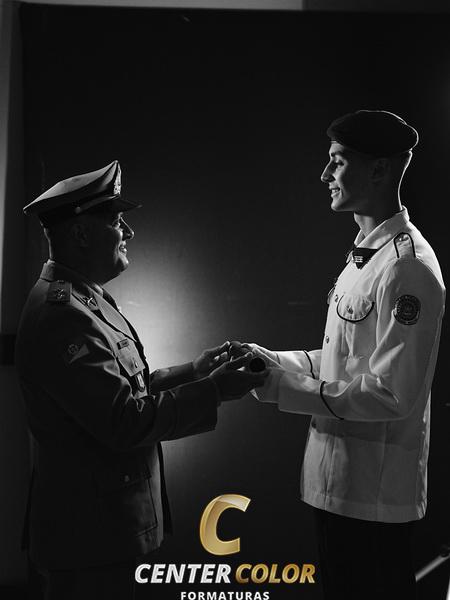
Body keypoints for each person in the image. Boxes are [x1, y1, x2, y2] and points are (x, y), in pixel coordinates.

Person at [15, 160, 267, 600]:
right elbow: (124, 421)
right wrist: (214, 391)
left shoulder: (85, 299)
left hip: (103, 530)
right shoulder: (63, 316)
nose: (128, 232)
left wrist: (194, 371)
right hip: (89, 540)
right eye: (116, 221)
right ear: (81, 234)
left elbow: (126, 389)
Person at [239, 110, 446, 599]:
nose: (324, 175)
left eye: (337, 161)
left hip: (373, 501)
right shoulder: (367, 258)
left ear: (379, 170)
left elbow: (391, 394)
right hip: (339, 489)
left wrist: (282, 388)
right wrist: (269, 362)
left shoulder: (407, 268)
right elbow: (344, 359)